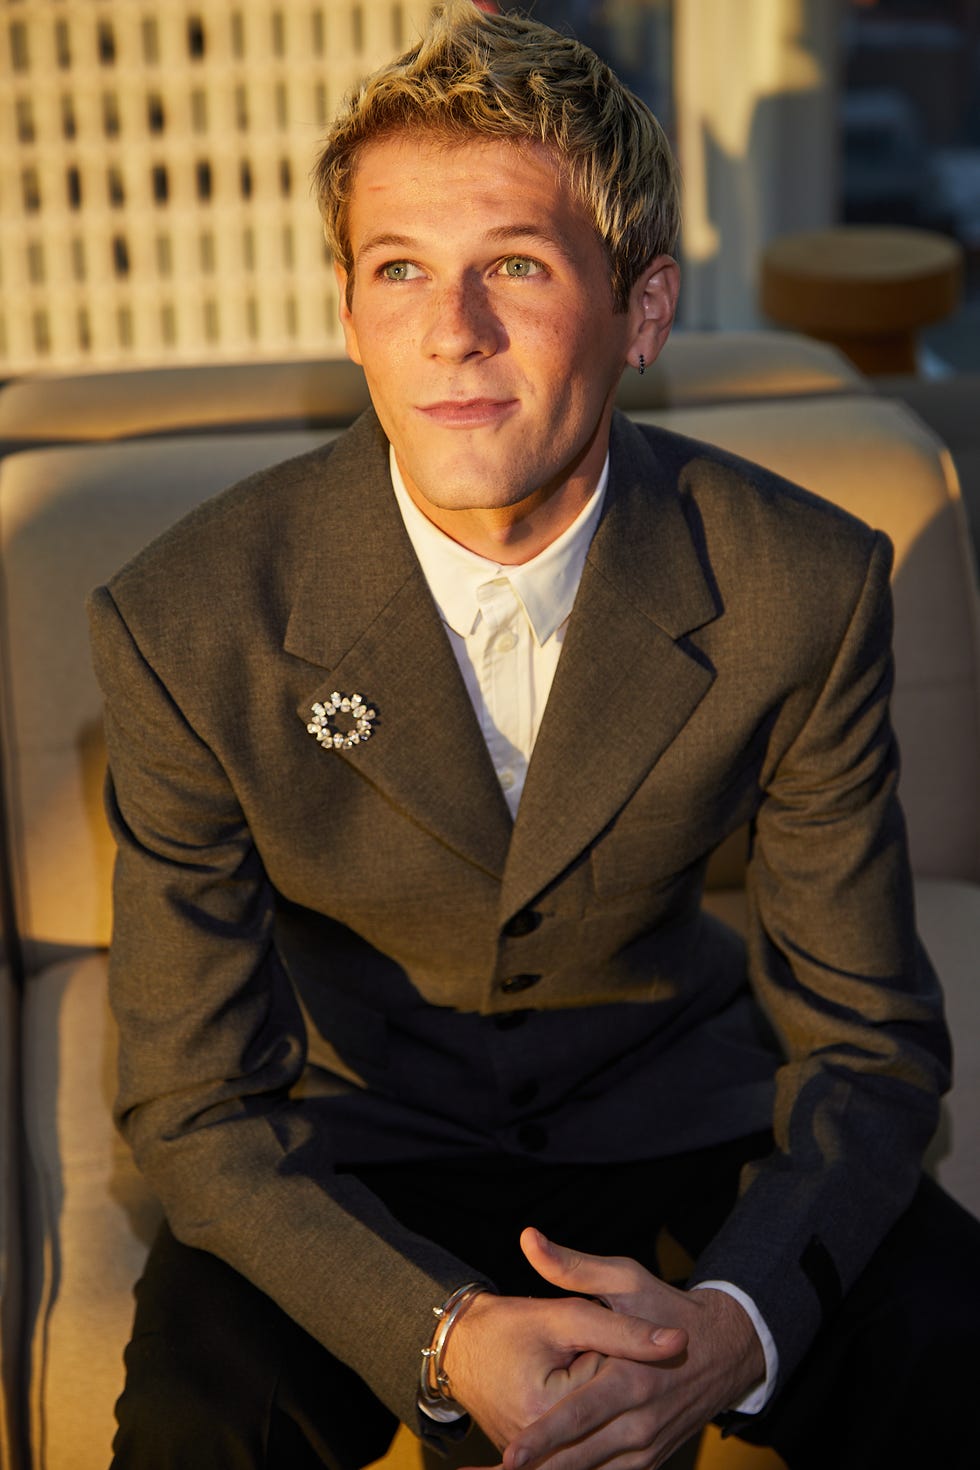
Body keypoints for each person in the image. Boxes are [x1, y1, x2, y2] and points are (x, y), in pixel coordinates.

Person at [88, 5, 979, 1468]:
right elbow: (195, 1107)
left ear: (642, 310)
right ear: (349, 313)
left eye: (513, 263)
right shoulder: (186, 621)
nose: (454, 331)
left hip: (682, 1107)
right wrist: (437, 1333)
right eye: (401, 271)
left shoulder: (801, 588)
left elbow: (870, 1049)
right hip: (356, 1142)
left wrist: (738, 1323)